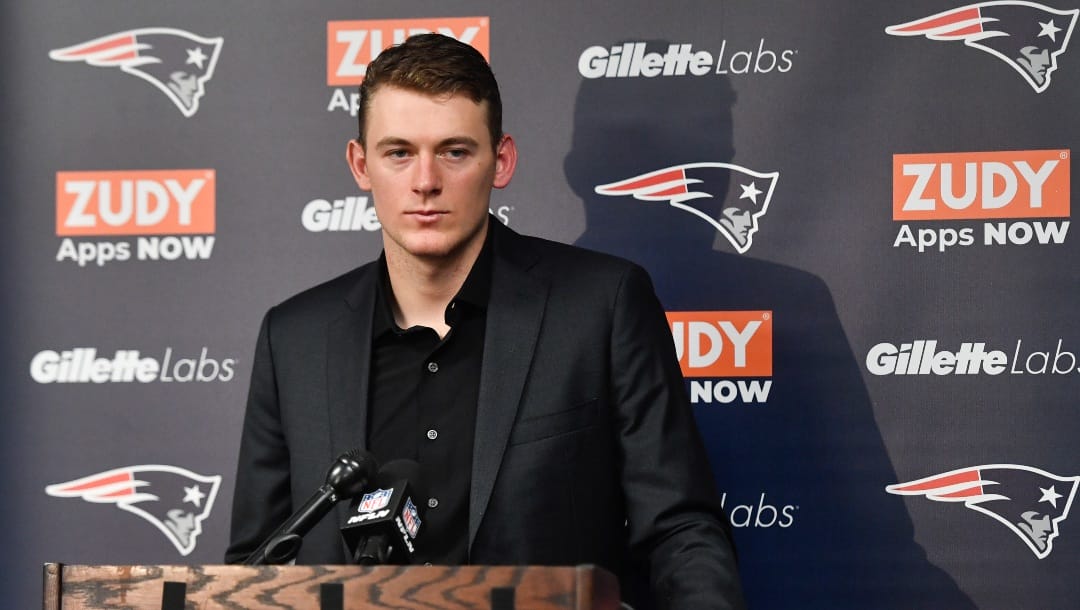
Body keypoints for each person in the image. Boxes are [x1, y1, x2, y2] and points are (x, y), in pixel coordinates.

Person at [225, 33, 745, 609]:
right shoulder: (293, 338)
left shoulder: (602, 304)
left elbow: (679, 532)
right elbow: (254, 567)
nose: (425, 181)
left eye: (454, 151)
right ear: (360, 164)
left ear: (501, 162)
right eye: (399, 152)